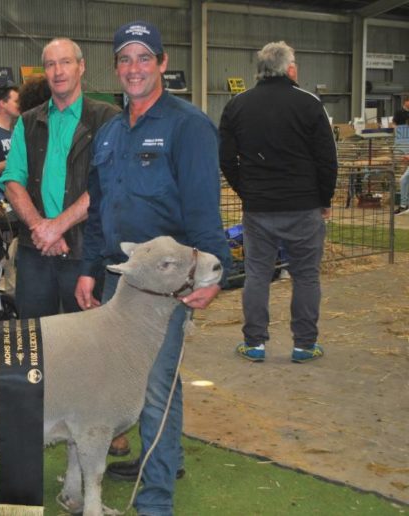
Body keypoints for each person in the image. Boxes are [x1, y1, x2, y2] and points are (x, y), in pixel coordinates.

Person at [74, 22, 231, 515]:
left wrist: (217, 269)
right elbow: (100, 209)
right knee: (142, 373)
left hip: (165, 281)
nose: (134, 68)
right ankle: (165, 457)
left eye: (145, 58)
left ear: (162, 64)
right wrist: (87, 268)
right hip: (122, 277)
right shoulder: (110, 131)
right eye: (126, 59)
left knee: (156, 381)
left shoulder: (188, 125)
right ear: (116, 68)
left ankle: (156, 496)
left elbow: (205, 206)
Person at [219, 41, 337, 364]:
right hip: (304, 206)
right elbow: (327, 159)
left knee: (257, 273)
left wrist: (248, 191)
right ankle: (304, 345)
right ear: (290, 68)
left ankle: (254, 343)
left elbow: (226, 159)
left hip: (259, 209)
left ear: (259, 70)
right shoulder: (310, 104)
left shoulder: (237, 106)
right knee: (306, 276)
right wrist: (324, 198)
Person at [0, 38, 119, 318]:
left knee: (86, 341)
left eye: (65, 62)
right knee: (34, 340)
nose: (58, 71)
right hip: (35, 250)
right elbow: (13, 180)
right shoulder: (26, 122)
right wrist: (41, 228)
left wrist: (57, 227)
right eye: (50, 64)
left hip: (86, 253)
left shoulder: (108, 119)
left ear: (81, 67)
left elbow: (107, 185)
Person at [392, 97, 409, 214]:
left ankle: (404, 205)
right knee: (404, 180)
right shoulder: (399, 113)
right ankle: (404, 205)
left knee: (404, 180)